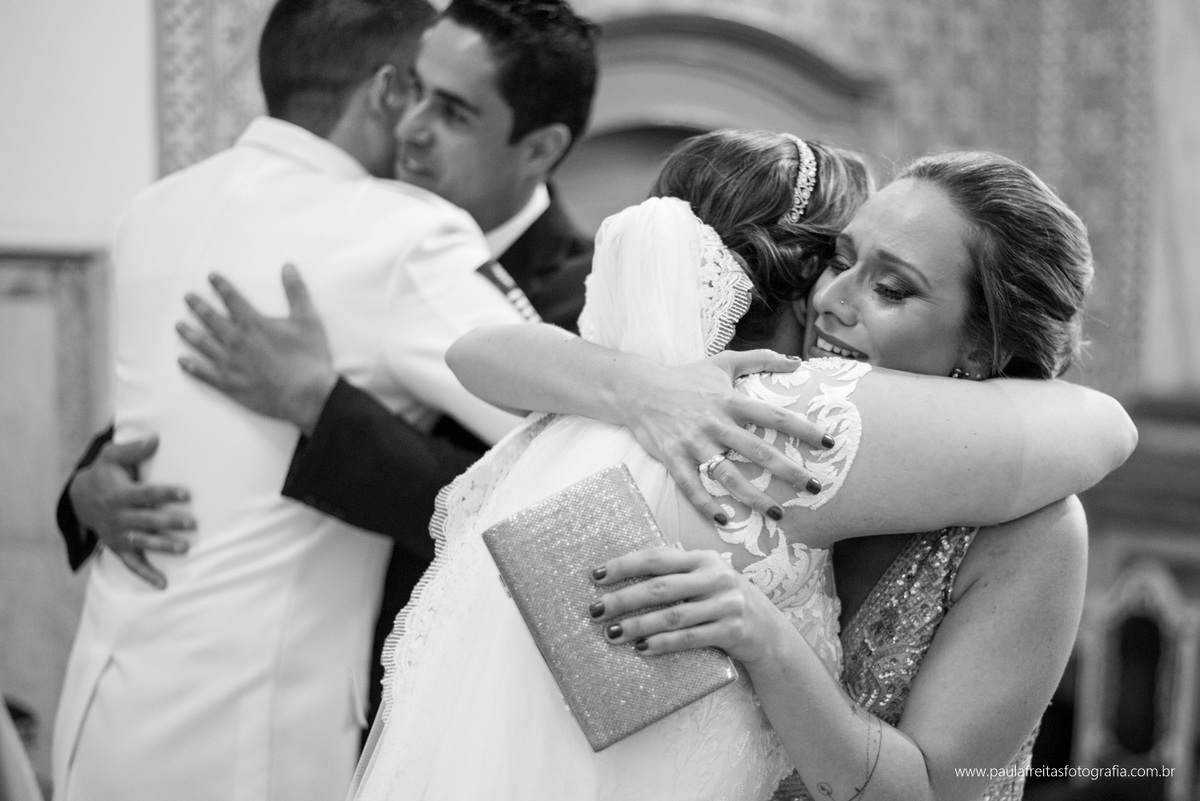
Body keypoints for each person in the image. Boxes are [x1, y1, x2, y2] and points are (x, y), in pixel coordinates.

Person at [350, 132, 1134, 800]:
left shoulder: (1031, 529)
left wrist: (765, 638)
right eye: (839, 259)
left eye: (892, 288)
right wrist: (646, 387)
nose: (832, 300)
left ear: (984, 347)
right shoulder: (738, 422)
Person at [54, 0, 601, 726]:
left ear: (538, 149)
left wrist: (324, 405)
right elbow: (194, 389)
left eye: (452, 112)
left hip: (462, 704)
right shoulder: (343, 228)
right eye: (412, 90)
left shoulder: (587, 305)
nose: (410, 126)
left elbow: (563, 501)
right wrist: (87, 486)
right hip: (266, 701)